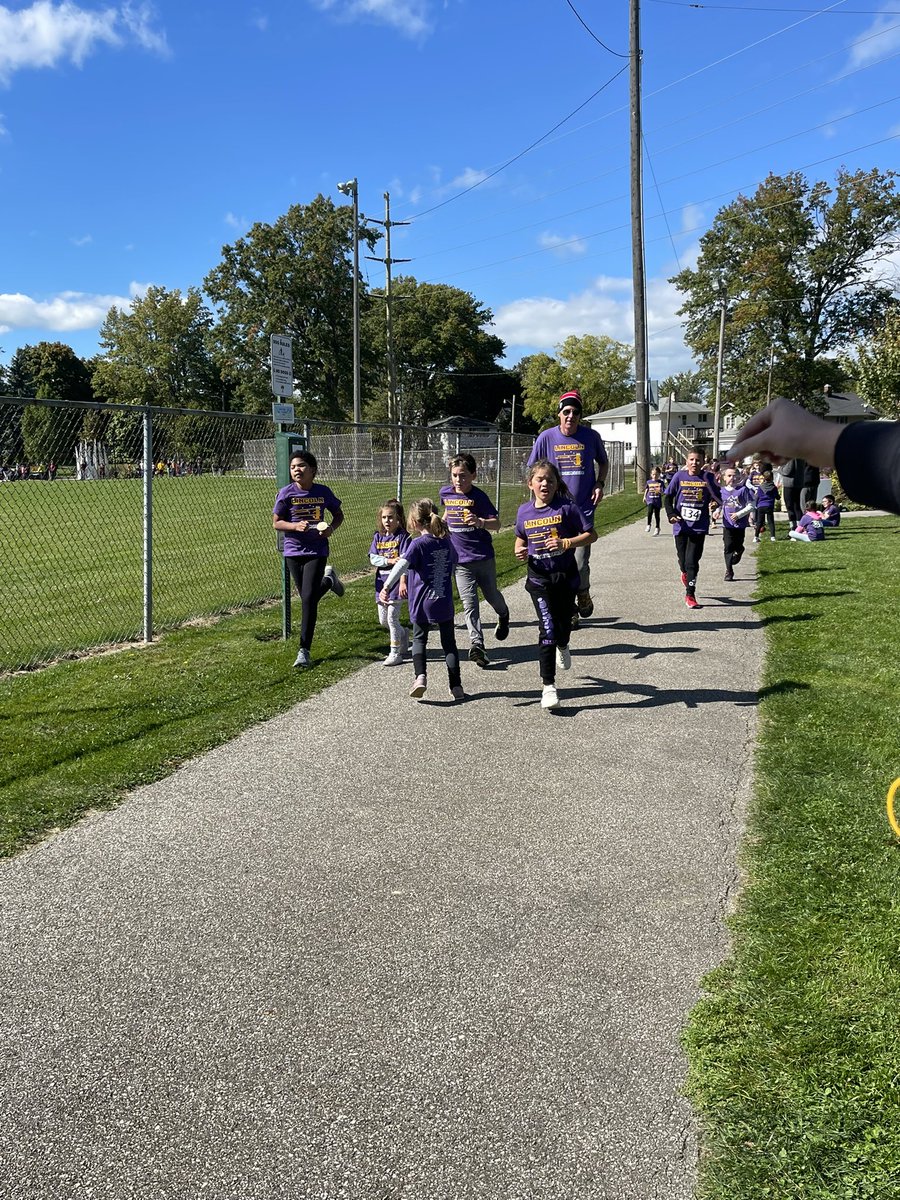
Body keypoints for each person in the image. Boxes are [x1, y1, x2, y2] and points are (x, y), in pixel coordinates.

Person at [726, 395, 900, 517]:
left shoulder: (798, 458)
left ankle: (806, 522)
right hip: (805, 482)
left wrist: (826, 440)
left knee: (802, 505)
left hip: (805, 482)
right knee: (802, 505)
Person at [514, 459, 597, 710]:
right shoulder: (524, 512)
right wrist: (519, 551)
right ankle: (548, 686)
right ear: (530, 484)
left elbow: (591, 534)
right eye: (539, 479)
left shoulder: (567, 508)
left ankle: (563, 643)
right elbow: (519, 540)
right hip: (539, 580)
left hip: (565, 578)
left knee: (562, 626)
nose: (545, 484)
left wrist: (567, 543)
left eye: (550, 479)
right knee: (546, 629)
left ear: (556, 483)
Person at [528, 389, 608, 624]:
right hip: (555, 510)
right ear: (559, 414)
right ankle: (569, 608)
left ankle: (582, 591)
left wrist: (599, 483)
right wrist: (536, 502)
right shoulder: (546, 438)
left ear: (580, 416)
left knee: (581, 561)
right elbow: (533, 470)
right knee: (559, 561)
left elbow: (603, 462)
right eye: (566, 412)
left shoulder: (591, 437)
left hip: (582, 507)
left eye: (575, 412)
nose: (570, 416)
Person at [379, 498, 464, 702]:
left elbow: (401, 566)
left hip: (421, 602)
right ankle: (456, 686)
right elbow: (455, 561)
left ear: (415, 522)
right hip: (443, 600)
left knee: (419, 639)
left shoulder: (417, 544)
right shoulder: (446, 541)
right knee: (449, 643)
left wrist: (386, 586)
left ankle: (420, 678)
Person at [272, 449, 345, 669]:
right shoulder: (286, 493)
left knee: (306, 600)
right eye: (293, 467)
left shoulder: (323, 492)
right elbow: (277, 522)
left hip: (317, 550)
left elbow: (339, 514)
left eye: (301, 466)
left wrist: (331, 528)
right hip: (293, 551)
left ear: (312, 470)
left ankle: (304, 650)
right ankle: (329, 581)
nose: (296, 470)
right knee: (307, 596)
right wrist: (294, 526)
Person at [439, 453, 510, 668]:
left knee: (492, 596)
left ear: (473, 476)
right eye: (454, 475)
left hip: (483, 557)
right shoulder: (446, 493)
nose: (458, 480)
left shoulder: (479, 497)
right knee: (469, 604)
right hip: (460, 560)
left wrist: (480, 522)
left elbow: (496, 524)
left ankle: (504, 614)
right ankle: (477, 645)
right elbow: (447, 513)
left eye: (463, 476)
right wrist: (439, 527)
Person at [664, 449, 721, 609]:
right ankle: (685, 574)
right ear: (686, 461)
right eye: (691, 459)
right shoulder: (679, 477)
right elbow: (668, 498)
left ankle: (690, 594)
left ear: (703, 462)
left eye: (698, 460)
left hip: (699, 528)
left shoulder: (708, 478)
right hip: (680, 527)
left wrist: (715, 506)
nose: (694, 463)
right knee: (683, 562)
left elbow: (717, 498)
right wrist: (671, 514)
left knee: (692, 562)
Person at [369, 499, 411, 667]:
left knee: (392, 619)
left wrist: (403, 582)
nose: (387, 521)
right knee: (383, 621)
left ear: (398, 518)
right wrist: (389, 560)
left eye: (391, 517)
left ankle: (395, 653)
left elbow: (405, 563)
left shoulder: (403, 537)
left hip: (395, 584)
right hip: (381, 583)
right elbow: (373, 558)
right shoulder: (377, 537)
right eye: (384, 517)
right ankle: (403, 635)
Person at [718, 466, 754, 581]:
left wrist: (739, 514)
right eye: (729, 476)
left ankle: (740, 550)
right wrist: (716, 511)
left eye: (734, 476)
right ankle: (729, 571)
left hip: (740, 524)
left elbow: (751, 506)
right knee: (728, 546)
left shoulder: (742, 490)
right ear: (724, 477)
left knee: (738, 545)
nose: (732, 478)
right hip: (727, 524)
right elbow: (720, 504)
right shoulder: (721, 491)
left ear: (739, 477)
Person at [779, 457, 805, 530]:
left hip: (790, 484)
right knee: (797, 506)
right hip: (799, 483)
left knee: (790, 507)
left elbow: (787, 471)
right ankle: (800, 527)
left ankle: (793, 528)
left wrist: (780, 469)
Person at [753, 469, 779, 543]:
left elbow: (757, 497)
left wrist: (756, 505)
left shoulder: (760, 487)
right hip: (769, 506)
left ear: (764, 477)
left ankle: (756, 537)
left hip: (761, 506)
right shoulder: (773, 487)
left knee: (759, 522)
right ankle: (772, 537)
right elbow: (777, 496)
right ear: (772, 478)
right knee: (771, 521)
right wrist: (777, 497)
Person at [643, 466, 664, 535]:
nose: (655, 476)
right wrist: (644, 497)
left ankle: (657, 527)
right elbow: (647, 489)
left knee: (657, 515)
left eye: (656, 474)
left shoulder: (660, 482)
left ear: (659, 475)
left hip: (657, 501)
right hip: (650, 500)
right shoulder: (649, 482)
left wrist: (660, 490)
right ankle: (648, 524)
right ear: (651, 475)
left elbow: (663, 491)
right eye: (653, 474)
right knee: (649, 512)